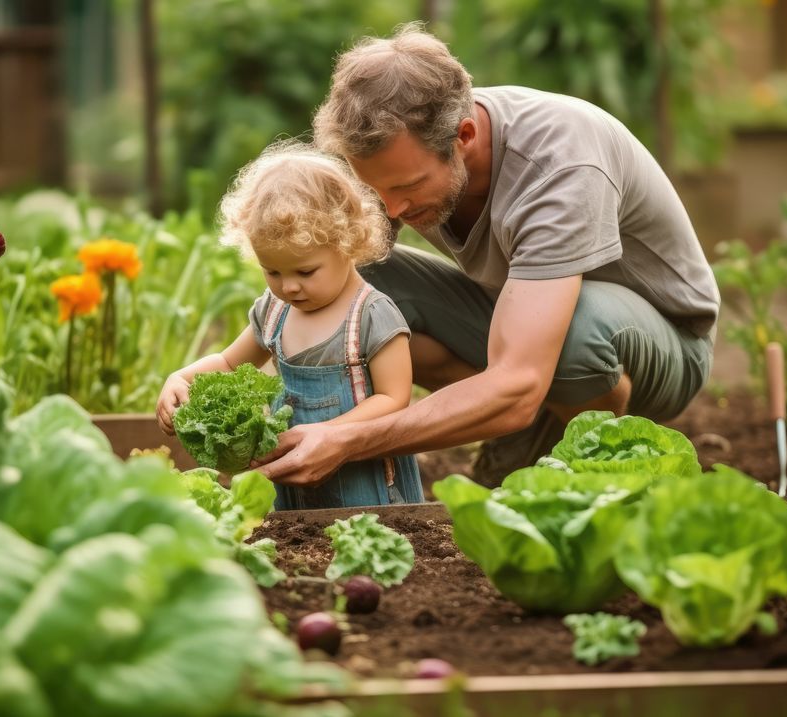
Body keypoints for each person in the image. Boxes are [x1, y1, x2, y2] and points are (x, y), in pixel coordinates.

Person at [254, 24, 720, 487]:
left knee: (575, 334)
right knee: (358, 274)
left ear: (465, 135)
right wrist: (217, 374)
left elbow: (524, 371)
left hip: (662, 347)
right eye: (376, 189)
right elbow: (315, 274)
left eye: (408, 188)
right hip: (521, 323)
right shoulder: (398, 146)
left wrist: (350, 441)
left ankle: (589, 467)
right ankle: (525, 416)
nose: (390, 209)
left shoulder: (560, 164)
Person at [155, 141, 424, 509]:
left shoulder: (372, 315)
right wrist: (181, 378)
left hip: (363, 482)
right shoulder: (274, 311)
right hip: (292, 477)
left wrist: (328, 434)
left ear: (348, 242)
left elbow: (395, 400)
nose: (289, 286)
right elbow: (229, 363)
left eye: (305, 271)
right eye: (273, 271)